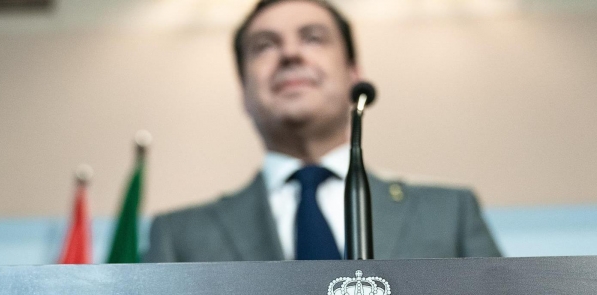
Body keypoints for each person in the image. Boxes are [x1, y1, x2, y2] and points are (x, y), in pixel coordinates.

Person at [144, 0, 501, 262]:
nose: (290, 53)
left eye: (313, 38)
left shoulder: (450, 214)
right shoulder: (178, 238)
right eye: (265, 45)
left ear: (353, 74)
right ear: (244, 94)